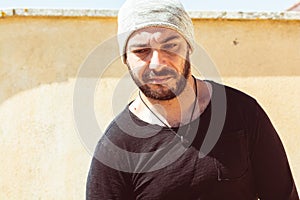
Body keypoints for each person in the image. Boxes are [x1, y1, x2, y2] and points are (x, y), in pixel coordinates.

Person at [86, 0, 299, 199]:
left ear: (189, 48)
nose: (157, 63)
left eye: (170, 47)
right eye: (142, 51)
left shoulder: (242, 112)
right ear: (126, 59)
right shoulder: (115, 149)